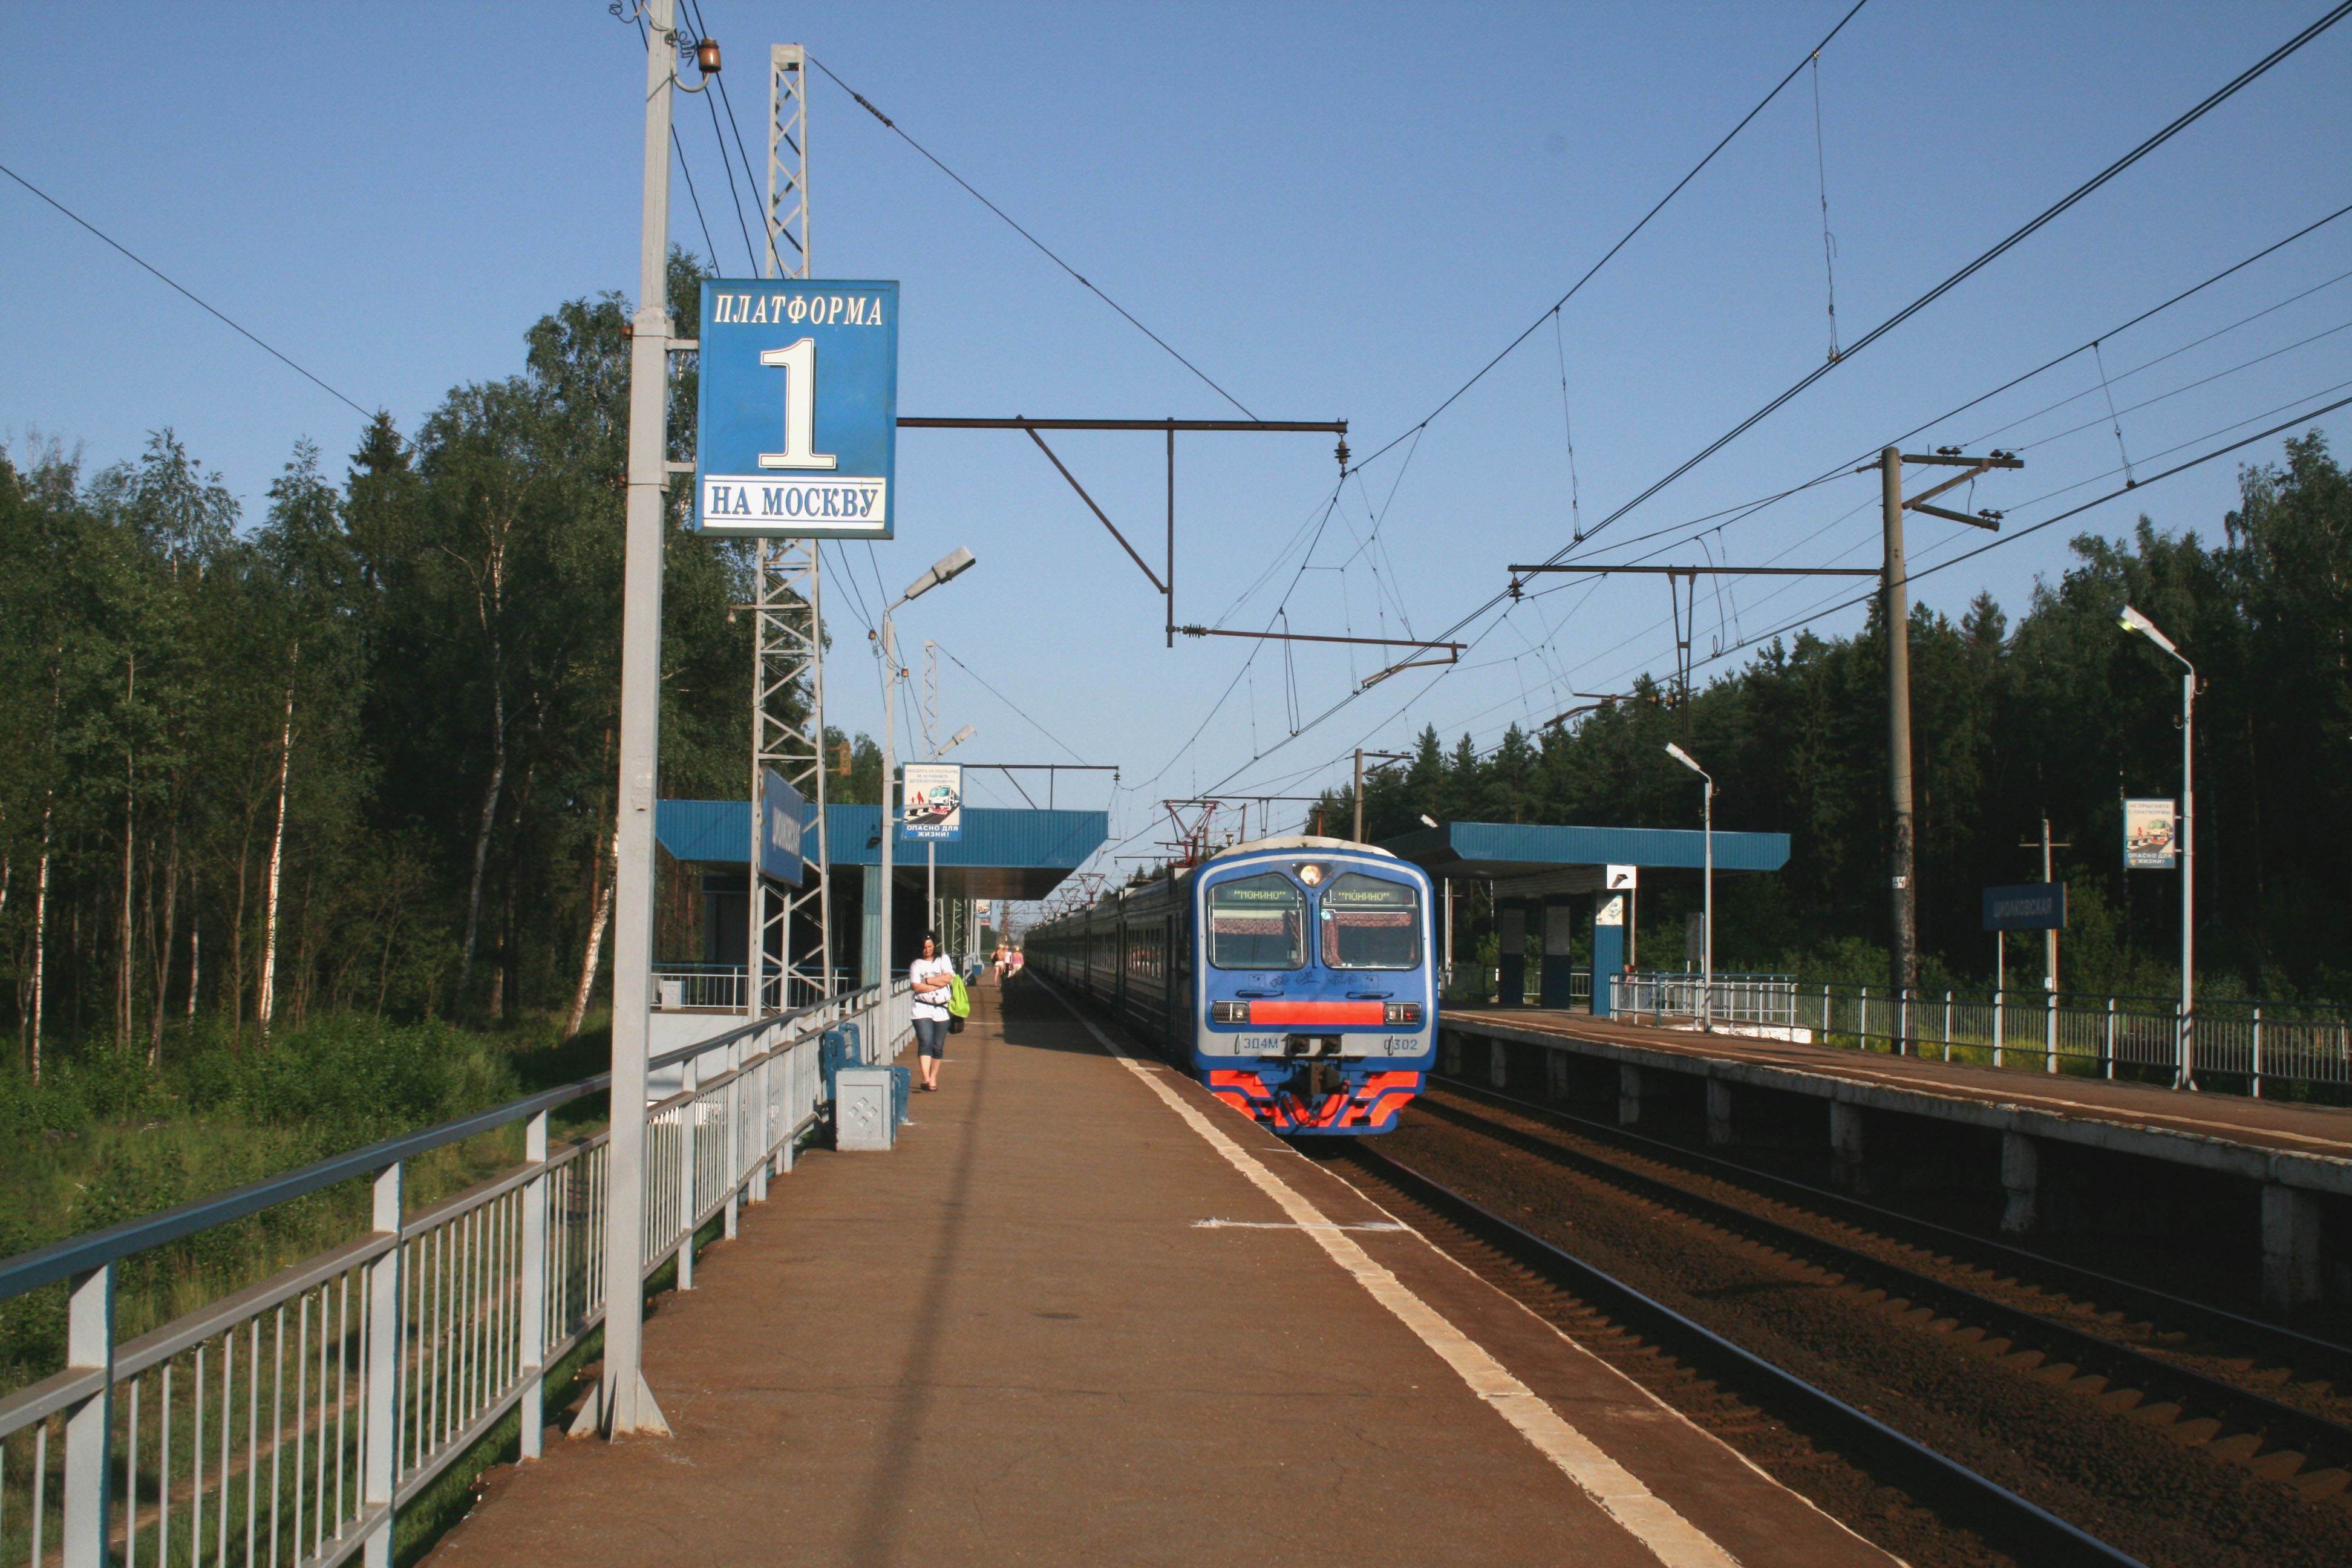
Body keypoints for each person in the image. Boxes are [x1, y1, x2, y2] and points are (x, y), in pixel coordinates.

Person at [909, 931, 956, 1090]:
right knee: (926, 1041)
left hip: (942, 1008)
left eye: (930, 947)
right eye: (925, 948)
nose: (928, 950)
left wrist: (927, 981)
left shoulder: (943, 959)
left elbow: (948, 978)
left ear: (935, 946)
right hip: (922, 1008)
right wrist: (938, 983)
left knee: (938, 1045)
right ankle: (926, 1079)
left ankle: (934, 1077)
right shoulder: (916, 964)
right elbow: (916, 986)